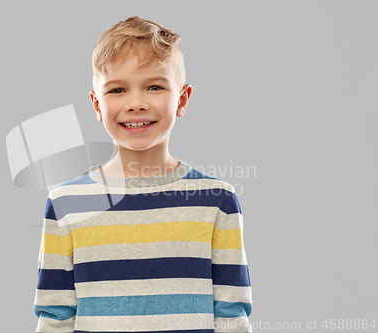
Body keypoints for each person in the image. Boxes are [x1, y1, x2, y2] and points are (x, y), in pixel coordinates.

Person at [33, 16, 253, 333]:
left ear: (182, 99)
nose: (135, 103)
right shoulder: (65, 203)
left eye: (154, 86)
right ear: (96, 105)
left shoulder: (217, 201)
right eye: (118, 89)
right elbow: (56, 318)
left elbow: (231, 317)